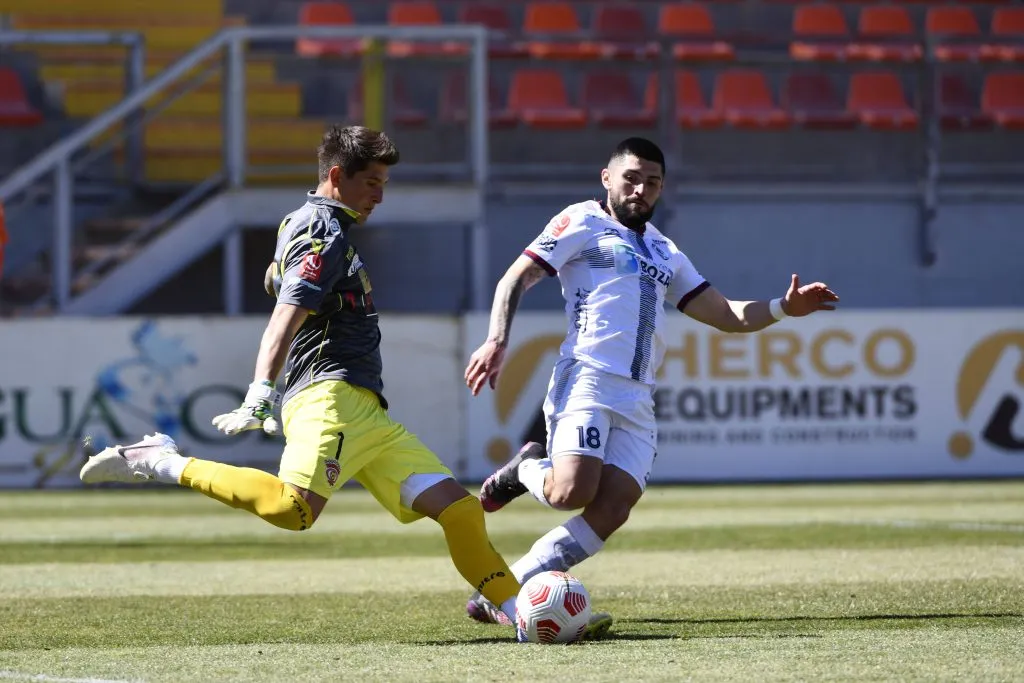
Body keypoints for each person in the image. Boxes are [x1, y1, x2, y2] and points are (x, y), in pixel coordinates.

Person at [80, 125, 615, 640]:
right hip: (328, 395)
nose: (380, 195)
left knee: (459, 509)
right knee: (293, 510)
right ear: (336, 175)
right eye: (371, 183)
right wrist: (260, 390)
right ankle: (156, 458)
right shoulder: (322, 231)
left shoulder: (309, 224)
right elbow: (286, 313)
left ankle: (519, 612)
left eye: (384, 184)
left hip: (365, 413)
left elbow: (281, 280)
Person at [461, 137, 839, 623]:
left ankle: (500, 594)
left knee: (612, 509)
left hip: (638, 396)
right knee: (569, 492)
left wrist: (784, 307)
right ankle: (524, 470)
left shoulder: (664, 250)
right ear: (607, 179)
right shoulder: (582, 221)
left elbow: (725, 314)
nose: (641, 189)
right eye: (631, 178)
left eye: (652, 182)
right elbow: (516, 277)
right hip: (590, 378)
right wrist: (496, 340)